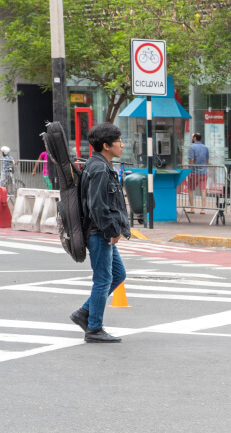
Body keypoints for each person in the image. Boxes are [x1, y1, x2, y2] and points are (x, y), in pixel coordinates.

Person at [69, 123, 131, 344]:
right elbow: (97, 206)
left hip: (101, 232)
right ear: (106, 145)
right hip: (99, 233)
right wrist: (112, 230)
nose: (122, 144)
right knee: (103, 280)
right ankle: (94, 328)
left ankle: (84, 313)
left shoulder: (101, 165)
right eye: (118, 141)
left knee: (118, 274)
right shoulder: (99, 169)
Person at [186, 133, 210, 214]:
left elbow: (191, 160)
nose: (192, 138)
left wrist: (189, 170)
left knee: (190, 190)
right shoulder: (206, 147)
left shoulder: (192, 147)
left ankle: (192, 208)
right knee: (203, 190)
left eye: (193, 137)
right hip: (203, 172)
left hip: (194, 172)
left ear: (195, 138)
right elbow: (207, 161)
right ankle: (203, 209)